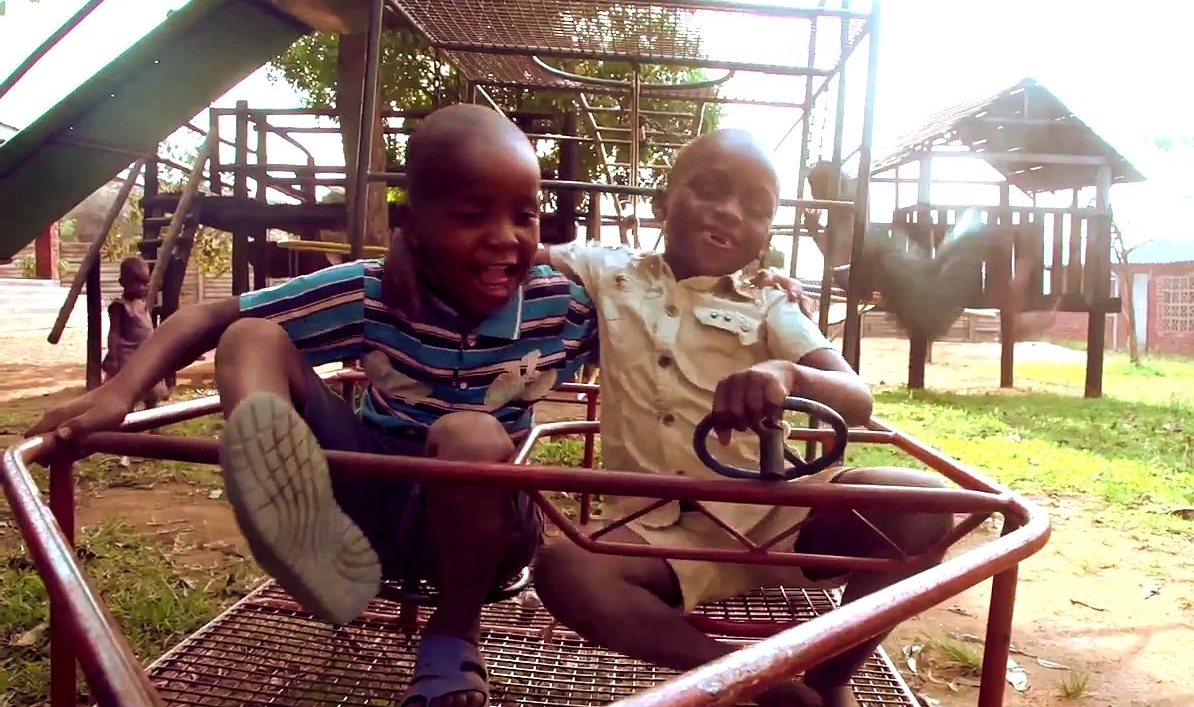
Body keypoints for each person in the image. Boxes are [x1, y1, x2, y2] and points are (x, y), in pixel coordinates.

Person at [28, 104, 599, 707]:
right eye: (470, 216)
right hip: (365, 499)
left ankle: (454, 635)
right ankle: (288, 508)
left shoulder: (559, 306)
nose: (505, 238)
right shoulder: (373, 292)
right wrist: (118, 393)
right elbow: (209, 318)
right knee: (251, 336)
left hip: (485, 525)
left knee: (471, 436)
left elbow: (662, 323)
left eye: (525, 214)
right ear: (414, 225)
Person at [531, 129, 955, 707]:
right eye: (708, 190)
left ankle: (829, 677)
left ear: (765, 235)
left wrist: (789, 374)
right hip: (660, 531)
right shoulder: (606, 269)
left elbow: (856, 397)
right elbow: (502, 251)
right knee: (564, 568)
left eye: (755, 209)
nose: (729, 213)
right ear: (663, 202)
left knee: (927, 503)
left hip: (779, 516)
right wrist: (411, 248)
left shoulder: (768, 302)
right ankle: (764, 686)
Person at [103, 256, 169, 410]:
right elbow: (114, 333)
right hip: (128, 357)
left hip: (145, 354)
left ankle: (153, 419)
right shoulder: (120, 306)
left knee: (151, 388)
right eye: (136, 283)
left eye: (145, 283)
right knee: (132, 391)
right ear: (122, 283)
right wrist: (112, 356)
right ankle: (133, 420)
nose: (142, 288)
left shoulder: (143, 303)